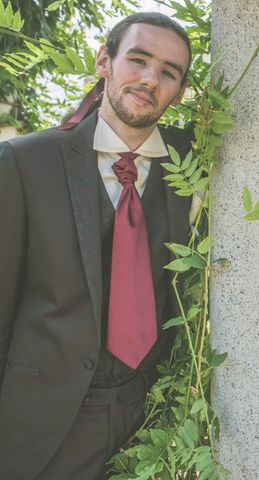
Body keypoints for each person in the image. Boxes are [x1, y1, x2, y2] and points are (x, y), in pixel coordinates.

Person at [0, 12, 194, 480]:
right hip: (42, 423)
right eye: (138, 59)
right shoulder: (26, 161)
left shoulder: (191, 165)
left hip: (149, 421)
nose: (150, 79)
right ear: (104, 61)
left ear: (180, 92)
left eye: (168, 72)